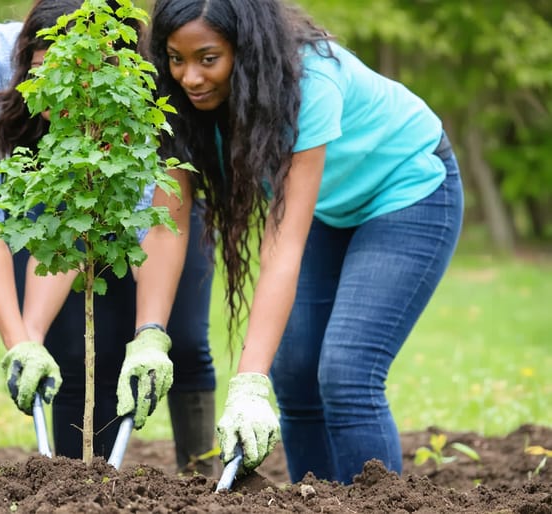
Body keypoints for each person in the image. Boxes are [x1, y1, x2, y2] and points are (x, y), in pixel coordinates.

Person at [0, 0, 218, 483]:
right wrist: (22, 341)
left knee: (93, 353)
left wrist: (147, 334)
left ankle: (93, 487)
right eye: (43, 73)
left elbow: (113, 225)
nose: (56, 94)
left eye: (78, 79)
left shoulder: (138, 93)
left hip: (83, 222)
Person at [147, 0, 464, 484]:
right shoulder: (180, 104)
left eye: (208, 58)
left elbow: (283, 245)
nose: (190, 77)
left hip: (407, 189)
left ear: (245, 49)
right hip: (326, 206)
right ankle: (316, 501)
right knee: (293, 374)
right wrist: (149, 334)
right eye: (176, 58)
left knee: (346, 372)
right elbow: (167, 223)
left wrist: (248, 382)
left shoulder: (308, 81)